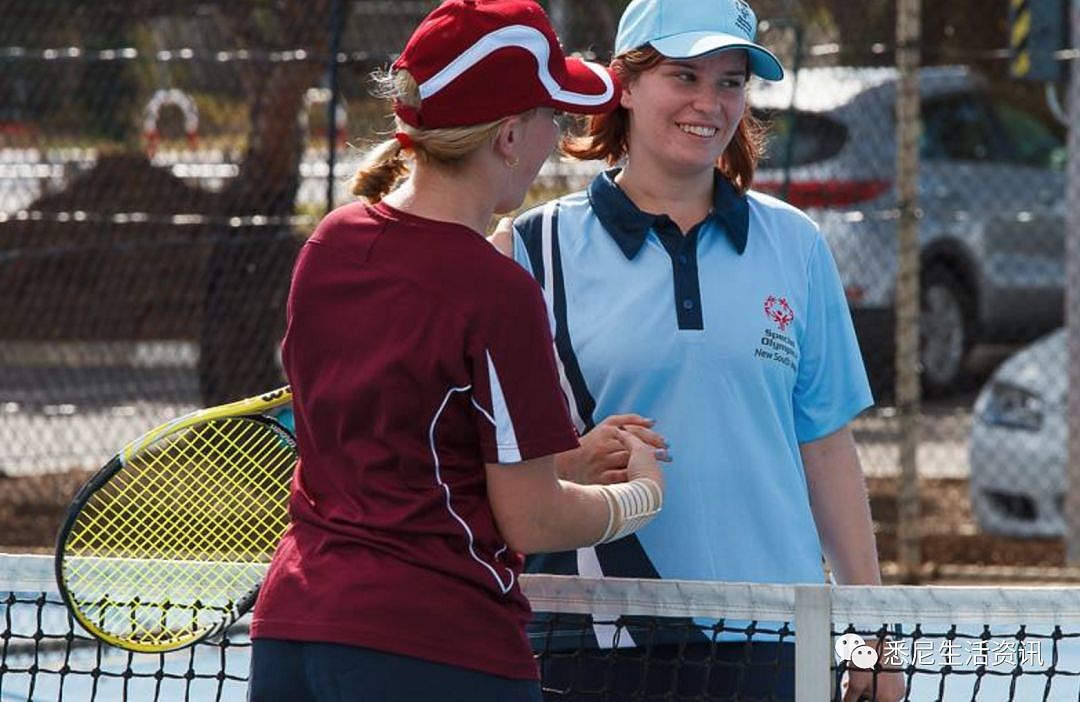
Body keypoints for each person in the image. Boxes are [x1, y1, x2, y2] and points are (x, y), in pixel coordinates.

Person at [247, 2, 670, 701]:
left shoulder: (330, 245)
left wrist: (567, 458)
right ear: (508, 136)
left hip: (291, 635)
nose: (553, 139)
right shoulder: (496, 291)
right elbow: (531, 519)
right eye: (550, 119)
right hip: (434, 649)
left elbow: (410, 441)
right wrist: (639, 496)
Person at [492, 0, 905, 699]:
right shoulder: (530, 251)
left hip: (775, 635)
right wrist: (575, 458)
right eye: (684, 75)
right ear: (624, 83)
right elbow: (490, 460)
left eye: (730, 81)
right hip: (591, 637)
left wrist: (868, 629)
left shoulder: (797, 245)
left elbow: (827, 452)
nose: (709, 103)